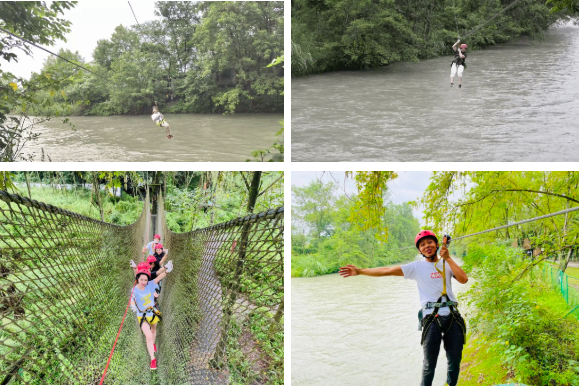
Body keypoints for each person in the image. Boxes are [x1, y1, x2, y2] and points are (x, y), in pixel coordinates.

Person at [338, 231, 468, 386]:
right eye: (422, 244)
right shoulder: (416, 267)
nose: (427, 246)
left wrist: (447, 258)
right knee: (429, 365)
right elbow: (387, 271)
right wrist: (360, 271)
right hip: (432, 318)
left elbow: (464, 279)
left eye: (429, 242)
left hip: (453, 317)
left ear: (437, 244)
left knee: (454, 361)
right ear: (419, 250)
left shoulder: (447, 264)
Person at [130, 260, 173, 370]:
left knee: (153, 331)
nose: (143, 281)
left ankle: (153, 344)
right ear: (137, 279)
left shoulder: (150, 285)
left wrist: (167, 271)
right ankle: (153, 359)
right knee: (148, 335)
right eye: (141, 280)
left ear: (147, 279)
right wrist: (133, 305)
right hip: (142, 316)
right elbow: (132, 299)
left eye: (145, 279)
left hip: (152, 313)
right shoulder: (135, 289)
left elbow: (158, 278)